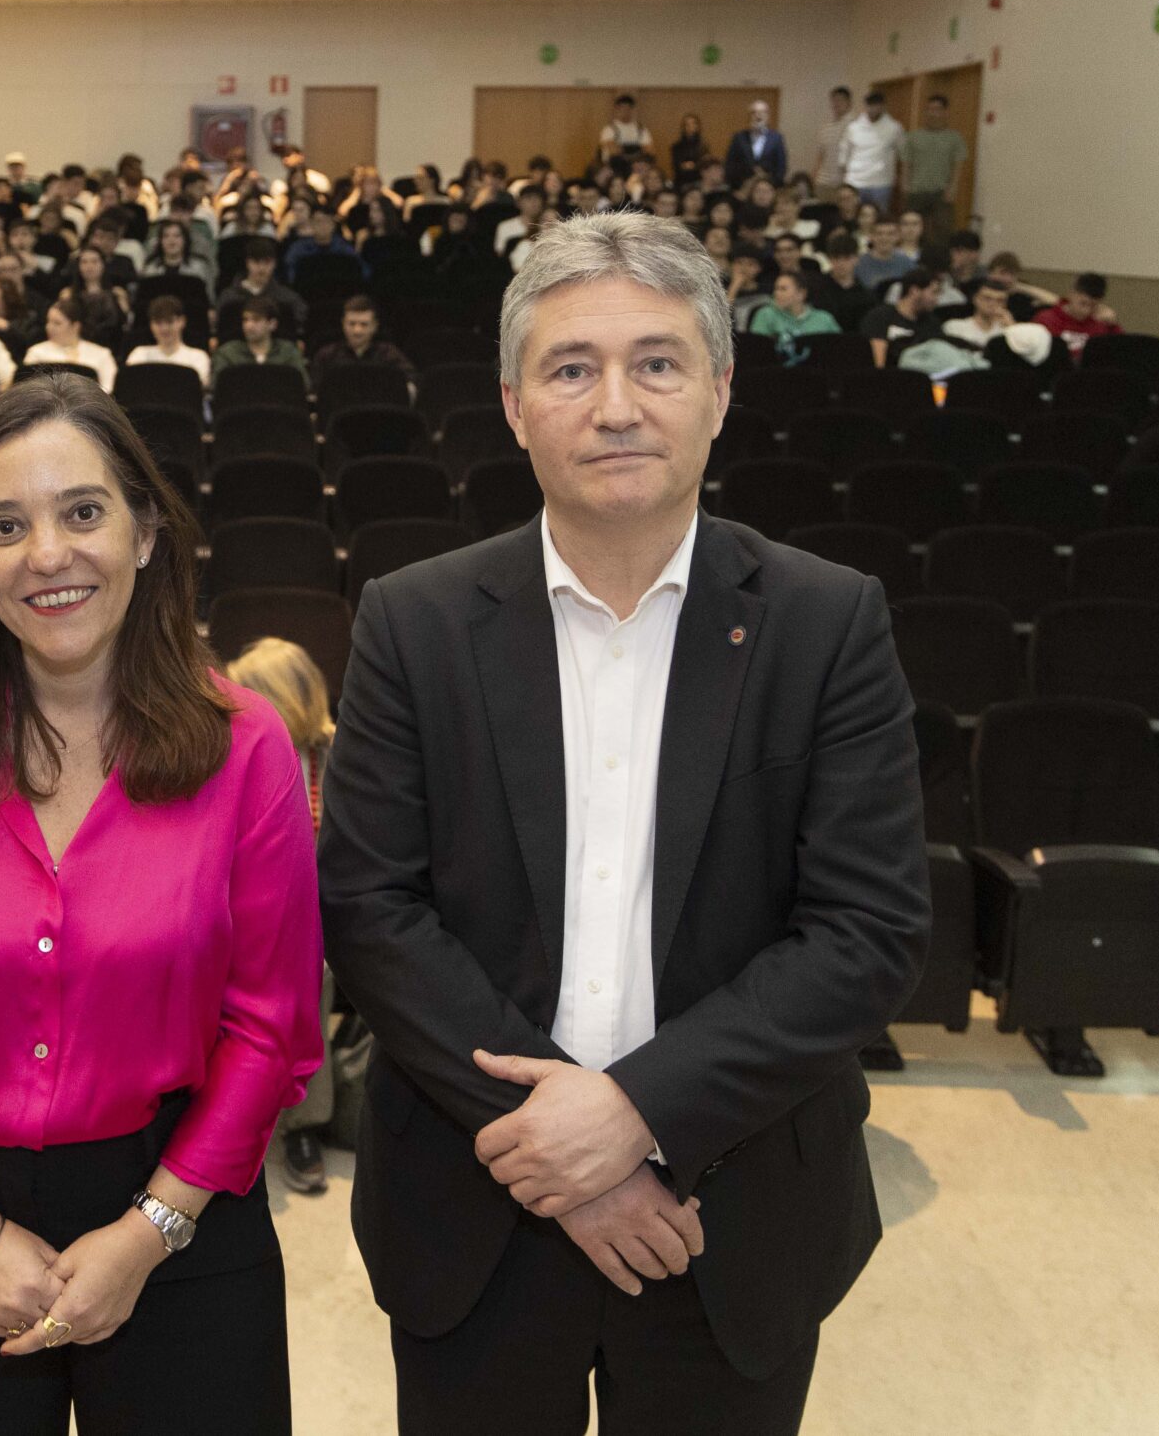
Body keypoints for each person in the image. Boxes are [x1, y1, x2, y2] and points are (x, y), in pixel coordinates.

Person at [321, 210, 928, 1436]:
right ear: (511, 402)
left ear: (717, 388)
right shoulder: (414, 621)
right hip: (475, 1208)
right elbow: (371, 910)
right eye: (570, 368)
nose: (614, 405)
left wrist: (635, 1113)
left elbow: (864, 933)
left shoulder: (827, 623)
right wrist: (560, 1154)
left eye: (655, 362)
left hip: (734, 1214)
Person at [0, 373, 322, 1435]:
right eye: (6, 525)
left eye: (82, 512)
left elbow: (271, 1027)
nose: (47, 554)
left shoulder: (246, 745)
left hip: (187, 1209)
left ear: (145, 531)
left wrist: (148, 1232)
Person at [222, 636, 341, 1199]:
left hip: (316, 917)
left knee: (308, 979)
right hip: (240, 910)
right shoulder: (226, 752)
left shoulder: (335, 758)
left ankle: (303, 1124)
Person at [901, 96, 968, 251]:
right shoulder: (913, 137)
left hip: (941, 192)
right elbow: (906, 163)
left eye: (937, 109)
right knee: (912, 230)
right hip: (916, 191)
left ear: (945, 112)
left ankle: (940, 264)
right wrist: (905, 185)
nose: (933, 113)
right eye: (930, 109)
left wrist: (953, 188)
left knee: (944, 231)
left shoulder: (954, 138)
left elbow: (958, 165)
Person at [312, 293, 416, 390]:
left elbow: (411, 379)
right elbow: (314, 390)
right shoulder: (326, 356)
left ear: (375, 326)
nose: (357, 330)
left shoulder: (389, 354)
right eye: (352, 324)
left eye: (364, 324)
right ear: (343, 324)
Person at [22, 295, 117, 393]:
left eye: (57, 323)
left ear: (76, 326)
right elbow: (27, 389)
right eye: (48, 322)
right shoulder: (36, 353)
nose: (49, 327)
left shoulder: (101, 354)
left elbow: (108, 390)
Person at [858, 265, 947, 367]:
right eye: (933, 292)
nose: (936, 299)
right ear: (914, 291)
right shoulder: (880, 317)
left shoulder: (932, 323)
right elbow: (878, 362)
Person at [124, 294, 213, 390]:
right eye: (158, 323)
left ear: (182, 321)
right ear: (151, 324)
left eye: (169, 322)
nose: (164, 328)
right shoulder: (139, 354)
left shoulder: (198, 357)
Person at [214, 294, 309, 383]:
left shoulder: (288, 351)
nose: (249, 326)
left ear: (272, 324)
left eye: (256, 320)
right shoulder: (228, 352)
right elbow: (217, 386)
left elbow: (303, 384)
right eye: (245, 320)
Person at [838, 90, 907, 212]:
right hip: (854, 182)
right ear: (865, 106)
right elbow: (843, 155)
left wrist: (902, 180)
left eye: (877, 104)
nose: (873, 108)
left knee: (879, 217)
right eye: (870, 104)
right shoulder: (853, 127)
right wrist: (844, 180)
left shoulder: (894, 128)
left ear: (883, 106)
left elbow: (904, 155)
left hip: (881, 184)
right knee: (852, 216)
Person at [1035, 272, 1122, 359]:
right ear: (1071, 295)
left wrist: (1113, 325)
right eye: (1083, 303)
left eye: (1093, 306)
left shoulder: (1102, 323)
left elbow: (1119, 352)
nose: (1086, 311)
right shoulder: (1046, 320)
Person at [722, 101, 789, 189]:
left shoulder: (776, 138)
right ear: (749, 116)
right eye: (754, 112)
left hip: (769, 187)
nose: (758, 115)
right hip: (742, 187)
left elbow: (781, 166)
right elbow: (730, 163)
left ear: (768, 116)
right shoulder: (739, 137)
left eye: (762, 112)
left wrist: (769, 180)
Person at [811, 86, 854, 196]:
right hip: (823, 181)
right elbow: (820, 156)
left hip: (844, 183)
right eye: (834, 100)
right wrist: (814, 178)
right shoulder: (826, 127)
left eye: (840, 100)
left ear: (849, 103)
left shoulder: (855, 126)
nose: (837, 104)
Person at [667, 116, 710, 190]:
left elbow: (706, 163)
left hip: (699, 180)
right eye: (687, 124)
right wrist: (683, 166)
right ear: (683, 127)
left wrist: (695, 165)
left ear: (698, 126)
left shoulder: (704, 146)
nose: (691, 126)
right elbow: (675, 164)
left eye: (693, 123)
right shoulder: (676, 146)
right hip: (681, 180)